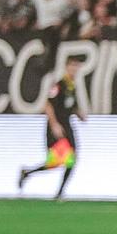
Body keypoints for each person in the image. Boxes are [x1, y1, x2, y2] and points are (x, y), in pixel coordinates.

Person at [18, 56, 88, 198]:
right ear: (66, 67)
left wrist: (78, 113)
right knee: (56, 161)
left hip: (67, 125)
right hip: (57, 127)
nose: (75, 70)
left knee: (71, 159)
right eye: (72, 66)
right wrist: (54, 124)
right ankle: (28, 173)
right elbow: (47, 104)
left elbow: (68, 105)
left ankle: (59, 192)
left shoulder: (71, 86)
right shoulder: (59, 84)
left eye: (77, 67)